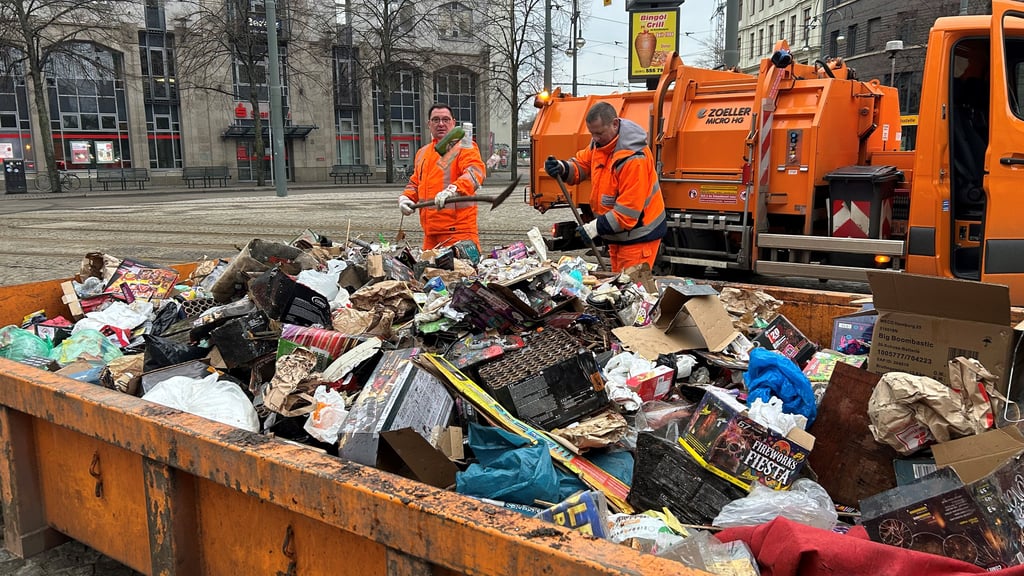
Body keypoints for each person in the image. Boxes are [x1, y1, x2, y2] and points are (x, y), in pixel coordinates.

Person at [544, 102, 666, 272]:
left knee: (631, 291)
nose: (595, 138)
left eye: (599, 133)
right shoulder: (600, 145)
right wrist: (562, 167)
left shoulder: (633, 159)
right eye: (592, 133)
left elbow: (627, 213)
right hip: (618, 236)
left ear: (615, 124)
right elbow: (581, 165)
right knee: (619, 287)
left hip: (638, 238)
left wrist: (594, 228)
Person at [398, 103, 486, 250]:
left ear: (453, 122)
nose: (441, 124)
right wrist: (406, 198)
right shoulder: (423, 153)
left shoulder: (463, 146)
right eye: (436, 120)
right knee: (428, 272)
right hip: (431, 233)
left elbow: (475, 172)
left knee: (460, 272)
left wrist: (454, 190)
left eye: (446, 119)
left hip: (458, 232)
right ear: (429, 124)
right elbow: (415, 183)